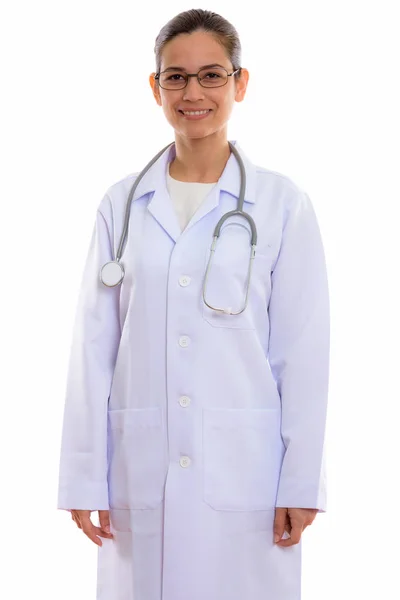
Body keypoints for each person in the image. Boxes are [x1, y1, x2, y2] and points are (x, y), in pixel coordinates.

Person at [57, 8, 330, 600]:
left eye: (212, 75)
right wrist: (83, 476)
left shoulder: (282, 204)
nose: (194, 92)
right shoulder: (121, 205)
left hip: (247, 471)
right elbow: (92, 349)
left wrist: (302, 478)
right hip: (140, 466)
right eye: (176, 77)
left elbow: (303, 354)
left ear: (240, 83)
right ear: (155, 88)